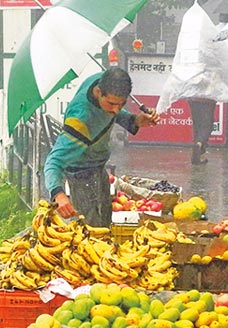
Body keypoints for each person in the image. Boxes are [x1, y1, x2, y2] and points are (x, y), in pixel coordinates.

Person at [43, 67, 160, 227]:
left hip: (99, 165)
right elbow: (53, 162)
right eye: (111, 103)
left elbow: (116, 113)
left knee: (105, 225)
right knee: (89, 231)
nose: (116, 110)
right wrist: (58, 194)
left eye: (122, 104)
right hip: (80, 172)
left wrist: (135, 120)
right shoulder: (80, 121)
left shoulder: (102, 79)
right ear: (98, 92)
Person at [186, 98, 217, 165]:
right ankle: (199, 144)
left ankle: (197, 156)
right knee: (208, 126)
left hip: (193, 98)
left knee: (197, 125)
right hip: (208, 100)